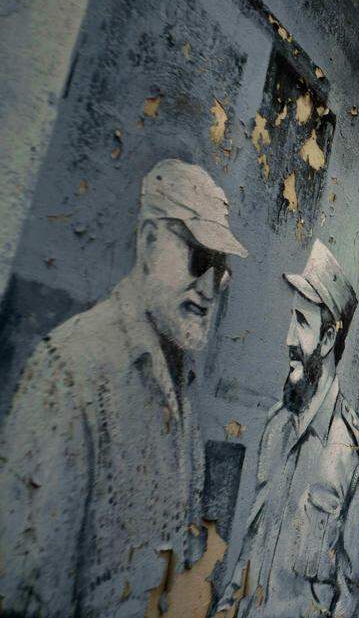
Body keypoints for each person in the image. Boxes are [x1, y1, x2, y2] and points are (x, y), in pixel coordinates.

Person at [0, 159, 247, 616]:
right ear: (150, 242)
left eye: (222, 268)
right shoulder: (73, 369)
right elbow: (27, 592)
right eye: (198, 257)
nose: (210, 288)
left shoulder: (180, 379)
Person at [221, 240, 359, 618]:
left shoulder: (349, 453)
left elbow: (347, 594)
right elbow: (249, 552)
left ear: (329, 338)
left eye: (302, 322)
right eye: (292, 319)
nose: (288, 338)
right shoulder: (276, 425)